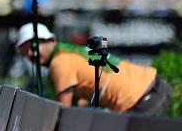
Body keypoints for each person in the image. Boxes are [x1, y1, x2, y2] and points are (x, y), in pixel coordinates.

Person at [15, 23, 171, 115]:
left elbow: (63, 112)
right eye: (24, 52)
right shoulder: (70, 52)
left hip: (140, 100)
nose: (30, 54)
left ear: (51, 40)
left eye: (34, 46)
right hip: (154, 86)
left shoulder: (60, 62)